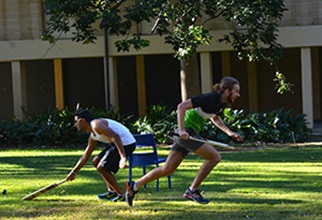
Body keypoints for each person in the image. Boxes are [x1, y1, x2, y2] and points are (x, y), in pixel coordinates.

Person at [124, 76, 244, 206]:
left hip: (189, 134)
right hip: (187, 132)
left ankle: (134, 186)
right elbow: (181, 106)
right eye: (236, 91)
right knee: (214, 157)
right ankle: (192, 190)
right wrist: (182, 131)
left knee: (167, 169)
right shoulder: (209, 98)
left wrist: (230, 133)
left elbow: (215, 118)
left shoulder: (221, 104)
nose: (238, 95)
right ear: (227, 91)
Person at [65, 108, 136, 202]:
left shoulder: (96, 125)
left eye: (76, 122)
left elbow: (116, 136)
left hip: (126, 143)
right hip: (116, 143)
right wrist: (74, 172)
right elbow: (86, 155)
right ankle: (112, 191)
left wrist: (123, 158)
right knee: (96, 161)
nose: (75, 125)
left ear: (82, 121)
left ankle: (122, 195)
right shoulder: (93, 135)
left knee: (102, 167)